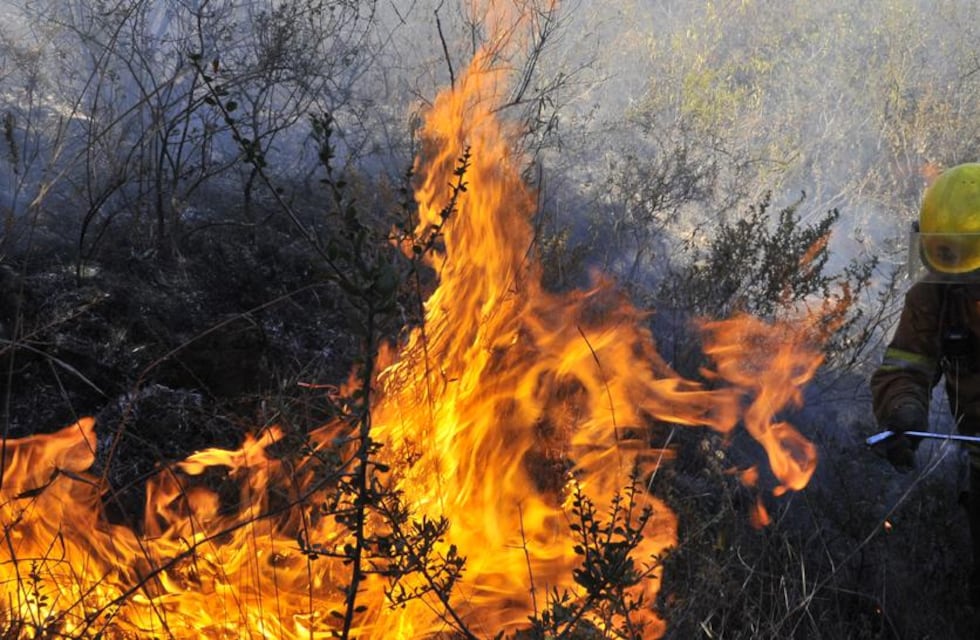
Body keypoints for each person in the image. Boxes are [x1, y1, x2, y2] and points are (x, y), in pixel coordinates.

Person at [870, 161, 980, 607]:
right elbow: (904, 368)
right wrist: (904, 413)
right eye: (945, 258)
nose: (957, 280)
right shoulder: (934, 295)